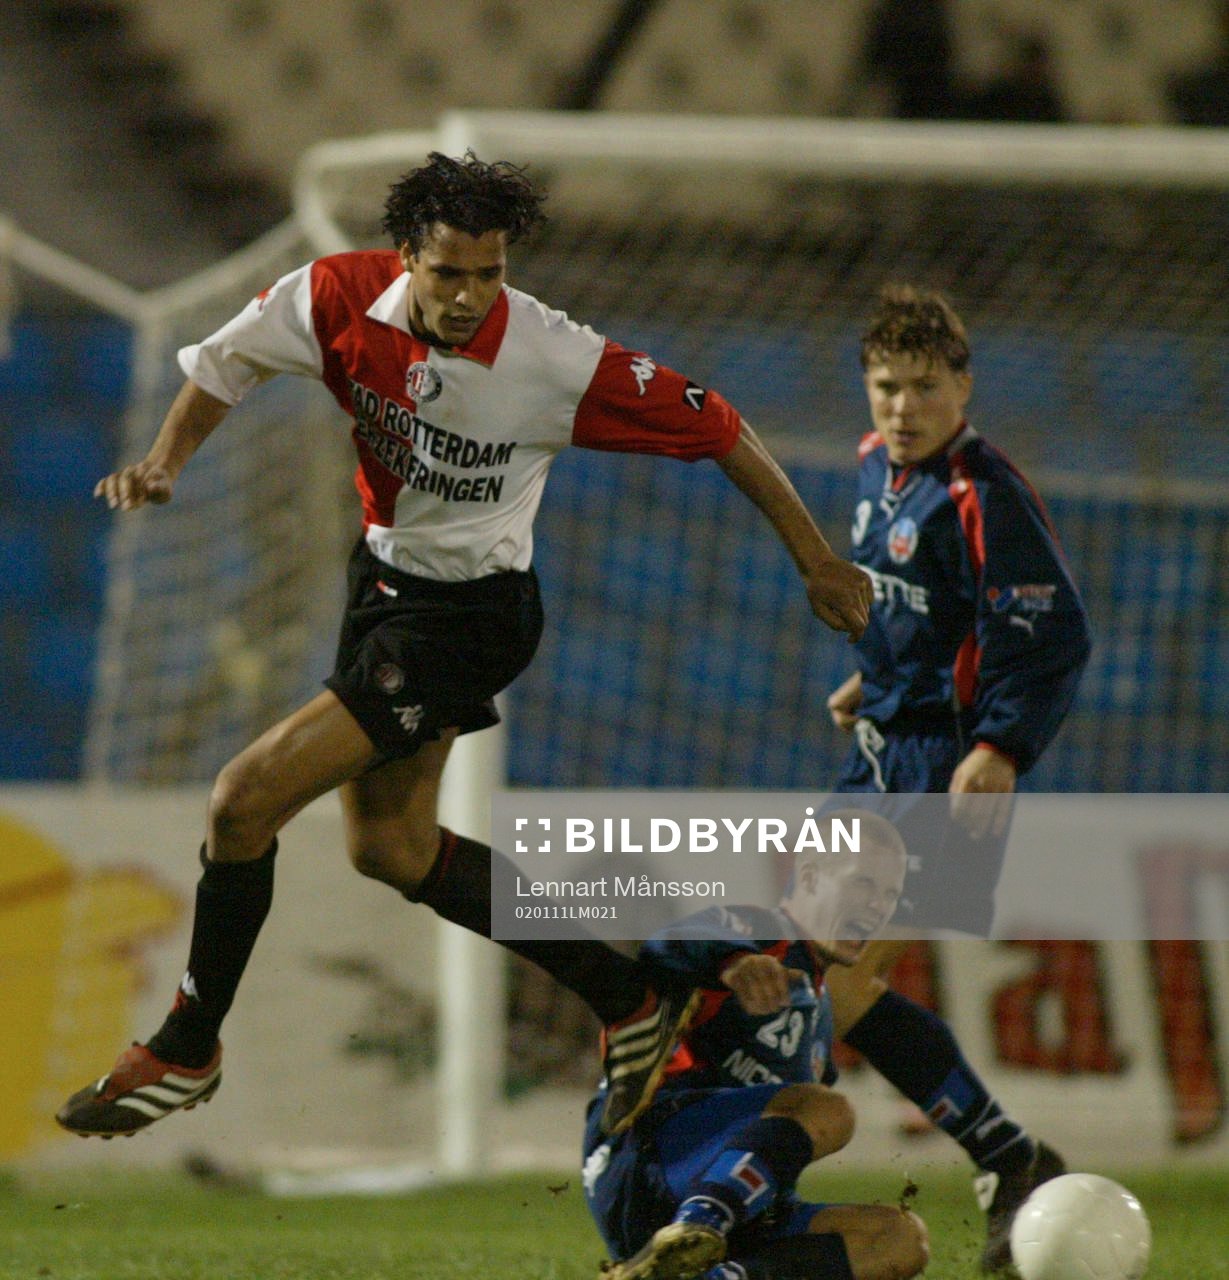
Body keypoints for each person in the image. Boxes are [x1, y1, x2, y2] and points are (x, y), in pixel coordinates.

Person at [55, 152, 872, 1143]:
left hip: (471, 617)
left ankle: (188, 1042)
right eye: (448, 272)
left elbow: (721, 428)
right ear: (407, 257)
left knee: (242, 799)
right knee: (389, 848)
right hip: (382, 587)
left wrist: (817, 561)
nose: (468, 295)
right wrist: (164, 461)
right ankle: (629, 999)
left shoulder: (551, 356)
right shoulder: (333, 295)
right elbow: (224, 364)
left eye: (489, 273)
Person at [821, 285, 1092, 1271]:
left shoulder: (982, 489)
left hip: (943, 766)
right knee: (808, 973)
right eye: (886, 387)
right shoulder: (873, 466)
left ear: (962, 388)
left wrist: (1000, 746)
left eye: (923, 387)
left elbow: (1051, 633)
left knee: (835, 980)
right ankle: (1009, 1156)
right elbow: (926, 609)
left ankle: (1004, 1157)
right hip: (877, 752)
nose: (902, 407)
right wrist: (875, 676)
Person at [584, 811, 928, 1280]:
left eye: (889, 896)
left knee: (900, 1239)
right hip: (648, 1164)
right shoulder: (755, 931)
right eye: (862, 884)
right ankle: (694, 1230)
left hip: (729, 1200)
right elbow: (668, 946)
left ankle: (703, 1273)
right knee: (829, 1109)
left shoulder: (820, 1008)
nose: (876, 907)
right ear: (810, 876)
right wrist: (733, 962)